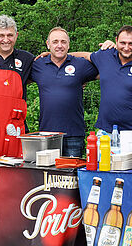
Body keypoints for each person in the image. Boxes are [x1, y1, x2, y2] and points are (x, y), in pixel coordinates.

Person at [74, 25, 132, 140]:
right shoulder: (105, 56)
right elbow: (85, 55)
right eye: (122, 43)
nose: (126, 47)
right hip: (105, 133)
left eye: (131, 44)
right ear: (116, 41)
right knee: (102, 159)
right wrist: (54, 56)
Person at [30, 27, 98, 157]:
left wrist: (74, 54)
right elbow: (19, 79)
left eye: (63, 42)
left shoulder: (80, 64)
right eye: (55, 42)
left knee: (71, 175)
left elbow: (104, 65)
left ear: (69, 45)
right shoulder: (38, 65)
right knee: (47, 175)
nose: (59, 45)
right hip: (47, 135)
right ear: (48, 44)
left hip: (74, 135)